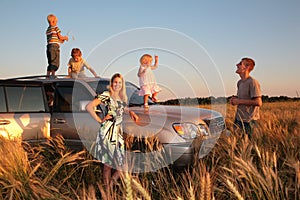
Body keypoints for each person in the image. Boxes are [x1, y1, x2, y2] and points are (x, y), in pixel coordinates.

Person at [86, 73, 139, 191]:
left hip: (118, 134)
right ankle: (108, 195)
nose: (117, 85)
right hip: (107, 132)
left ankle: (109, 186)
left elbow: (121, 108)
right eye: (115, 82)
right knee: (107, 166)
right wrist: (100, 120)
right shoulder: (106, 95)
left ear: (122, 85)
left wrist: (131, 112)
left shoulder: (121, 98)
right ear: (111, 83)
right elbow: (89, 107)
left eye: (119, 83)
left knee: (122, 166)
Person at [230, 57, 262, 138]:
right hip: (238, 118)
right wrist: (234, 99)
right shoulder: (239, 82)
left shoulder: (252, 82)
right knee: (238, 143)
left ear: (246, 67)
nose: (236, 65)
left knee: (248, 145)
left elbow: (258, 102)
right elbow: (242, 98)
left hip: (249, 121)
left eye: (240, 64)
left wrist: (239, 101)